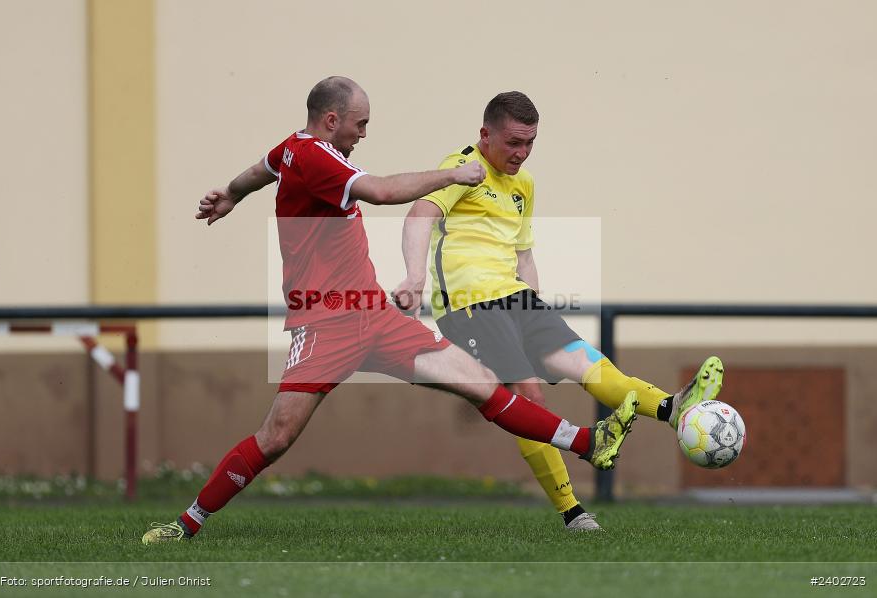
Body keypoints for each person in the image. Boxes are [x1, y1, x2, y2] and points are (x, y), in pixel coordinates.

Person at [142, 77, 639, 544]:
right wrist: (453, 174)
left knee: (484, 385)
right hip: (325, 321)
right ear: (332, 119)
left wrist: (230, 193)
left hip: (374, 315)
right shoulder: (318, 157)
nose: (363, 134)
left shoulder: (291, 147)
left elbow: (260, 170)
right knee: (276, 438)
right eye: (361, 124)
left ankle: (587, 442)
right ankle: (187, 523)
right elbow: (380, 192)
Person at [392, 91, 724, 531]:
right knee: (530, 396)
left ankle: (671, 408)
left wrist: (534, 307)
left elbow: (523, 255)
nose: (521, 153)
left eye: (530, 142)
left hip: (516, 299)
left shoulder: (524, 184)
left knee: (586, 361)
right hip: (470, 305)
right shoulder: (463, 166)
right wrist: (414, 277)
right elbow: (418, 215)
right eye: (513, 142)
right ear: (485, 135)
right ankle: (572, 511)